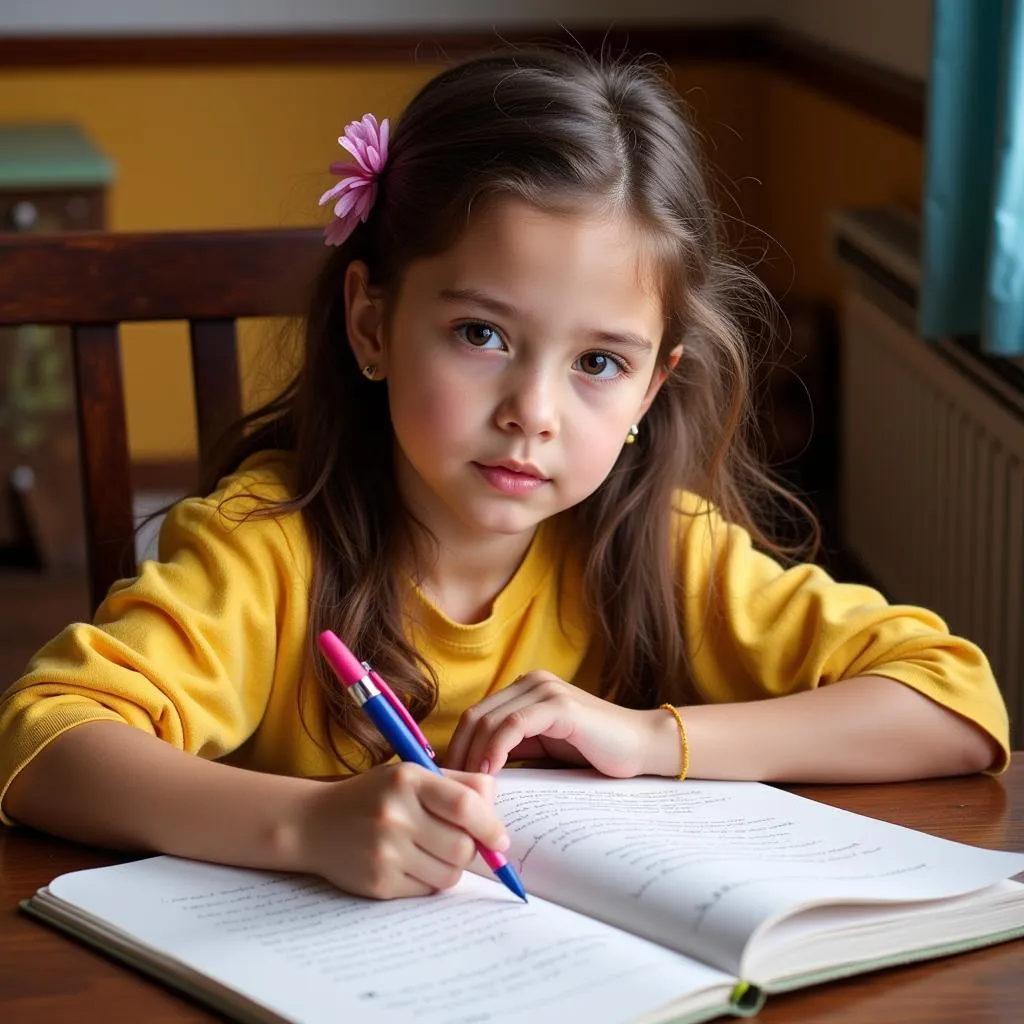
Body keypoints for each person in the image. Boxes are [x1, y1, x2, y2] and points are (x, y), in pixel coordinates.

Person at [0, 49, 1009, 902]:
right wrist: (304, 824)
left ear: (652, 390)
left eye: (598, 363)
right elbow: (46, 742)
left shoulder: (660, 544)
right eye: (482, 333)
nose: (533, 409)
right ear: (372, 324)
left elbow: (954, 705)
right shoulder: (264, 548)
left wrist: (649, 738)